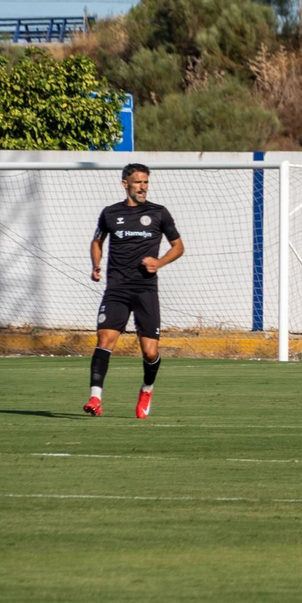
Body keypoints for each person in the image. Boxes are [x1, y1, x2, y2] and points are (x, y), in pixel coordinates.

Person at [85, 163, 184, 418]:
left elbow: (178, 246)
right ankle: (95, 398)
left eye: (146, 182)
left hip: (145, 290)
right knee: (104, 340)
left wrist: (159, 262)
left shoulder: (159, 213)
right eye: (138, 182)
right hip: (116, 288)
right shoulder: (110, 213)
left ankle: (147, 388)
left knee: (150, 352)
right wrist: (96, 265)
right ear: (125, 184)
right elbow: (97, 241)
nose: (143, 187)